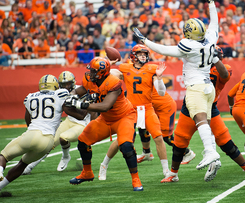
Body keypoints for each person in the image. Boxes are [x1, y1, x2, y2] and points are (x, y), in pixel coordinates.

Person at [133, 0, 220, 172]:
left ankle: (210, 152)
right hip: (208, 87)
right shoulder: (211, 38)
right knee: (206, 122)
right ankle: (213, 159)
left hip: (196, 86)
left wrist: (144, 41)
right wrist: (211, 3)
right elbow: (214, 23)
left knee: (201, 120)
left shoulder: (189, 46)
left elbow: (163, 50)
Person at [161, 47, 245, 183]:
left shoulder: (223, 68)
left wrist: (214, 59)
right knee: (179, 142)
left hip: (209, 107)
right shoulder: (195, 65)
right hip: (190, 105)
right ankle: (173, 173)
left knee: (225, 141)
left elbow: (224, 75)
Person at [65, 57, 143, 191]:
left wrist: (81, 104)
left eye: (94, 72)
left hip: (124, 117)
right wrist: (72, 95)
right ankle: (87, 173)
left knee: (126, 146)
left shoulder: (113, 83)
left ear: (102, 73)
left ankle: (136, 179)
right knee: (83, 141)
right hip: (106, 119)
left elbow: (105, 106)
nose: (90, 74)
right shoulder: (90, 80)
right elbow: (81, 89)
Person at [0, 75, 83, 194]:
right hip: (47, 141)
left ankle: (0, 171)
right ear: (55, 85)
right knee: (23, 164)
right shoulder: (61, 94)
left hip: (31, 134)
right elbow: (74, 112)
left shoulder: (30, 97)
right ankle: (1, 185)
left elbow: (28, 119)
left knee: (3, 156)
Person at [98, 44, 170, 181]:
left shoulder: (152, 69)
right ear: (133, 56)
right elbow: (107, 73)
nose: (144, 56)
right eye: (140, 54)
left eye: (145, 54)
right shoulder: (125, 68)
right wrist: (107, 63)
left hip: (147, 108)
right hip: (130, 110)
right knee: (121, 140)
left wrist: (159, 78)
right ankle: (104, 165)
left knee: (158, 137)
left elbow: (161, 92)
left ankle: (166, 170)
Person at [22, 71, 96, 174]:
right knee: (48, 142)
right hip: (69, 121)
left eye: (68, 84)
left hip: (82, 123)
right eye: (63, 84)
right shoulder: (58, 92)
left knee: (63, 137)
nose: (66, 86)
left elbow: (93, 106)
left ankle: (65, 156)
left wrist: (92, 123)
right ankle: (29, 167)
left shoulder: (80, 90)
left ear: (73, 82)